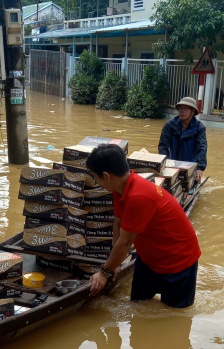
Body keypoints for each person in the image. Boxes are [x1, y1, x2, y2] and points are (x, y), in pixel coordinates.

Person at [86, 144, 201, 307]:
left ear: (106, 175)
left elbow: (125, 243)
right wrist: (115, 264)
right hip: (148, 258)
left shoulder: (138, 196)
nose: (96, 182)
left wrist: (104, 273)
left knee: (173, 316)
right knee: (137, 306)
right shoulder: (119, 189)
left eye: (95, 177)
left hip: (178, 260)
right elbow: (118, 225)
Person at [158, 97, 207, 181]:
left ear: (193, 111)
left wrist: (200, 168)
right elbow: (163, 146)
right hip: (172, 166)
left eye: (186, 108)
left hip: (190, 167)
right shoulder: (170, 125)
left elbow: (202, 148)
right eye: (180, 108)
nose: (182, 111)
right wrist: (165, 164)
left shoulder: (199, 128)